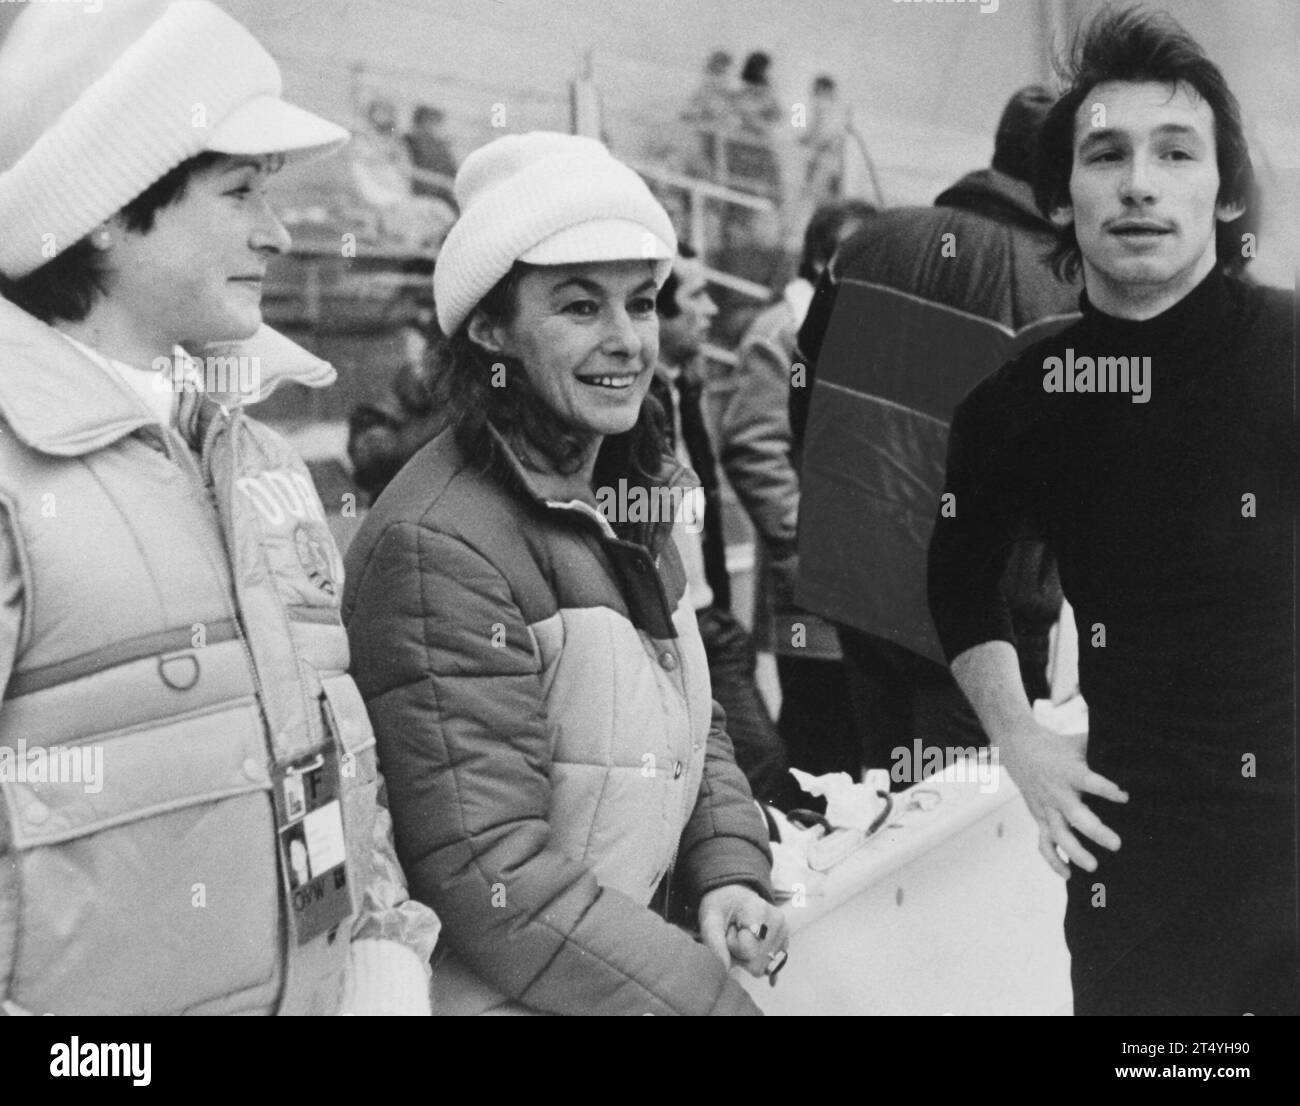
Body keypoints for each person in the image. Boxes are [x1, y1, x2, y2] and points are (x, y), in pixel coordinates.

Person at [0, 0, 439, 1015]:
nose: (278, 232)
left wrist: (378, 961)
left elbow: (336, 757)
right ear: (109, 205)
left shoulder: (261, 458)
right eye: (240, 190)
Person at [342, 132, 787, 1016]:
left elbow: (685, 733)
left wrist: (727, 864)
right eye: (580, 308)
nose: (626, 341)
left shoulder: (627, 495)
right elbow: (493, 878)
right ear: (489, 327)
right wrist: (705, 1001)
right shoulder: (440, 546)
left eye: (643, 302)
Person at [928, 7, 1295, 1015]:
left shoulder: (1290, 352)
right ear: (1060, 198)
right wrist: (1019, 738)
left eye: (1176, 151)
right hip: (1138, 869)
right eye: (1107, 154)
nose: (1139, 181)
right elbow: (957, 580)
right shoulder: (1021, 402)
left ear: (1221, 191)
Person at [792, 85, 1076, 787]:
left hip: (859, 592)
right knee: (958, 840)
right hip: (985, 625)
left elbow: (802, 393)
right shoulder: (1059, 284)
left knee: (892, 809)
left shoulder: (868, 244)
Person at [717, 200, 876, 781]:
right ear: (820, 258)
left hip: (871, 597)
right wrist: (803, 542)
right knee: (820, 745)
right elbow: (752, 444)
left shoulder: (864, 325)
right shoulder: (783, 331)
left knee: (864, 745)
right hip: (814, 598)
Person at [650, 246, 792, 808]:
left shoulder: (682, 387)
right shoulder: (638, 404)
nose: (710, 309)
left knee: (758, 769)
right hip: (685, 619)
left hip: (709, 616)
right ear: (657, 314)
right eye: (694, 296)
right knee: (761, 769)